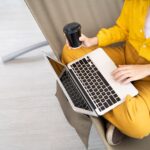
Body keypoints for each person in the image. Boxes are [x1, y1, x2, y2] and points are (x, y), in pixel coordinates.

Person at [61, 0, 150, 145]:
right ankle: (111, 107)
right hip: (126, 56)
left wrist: (145, 69)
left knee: (139, 127)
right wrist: (93, 40)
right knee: (70, 52)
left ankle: (101, 98)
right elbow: (123, 29)